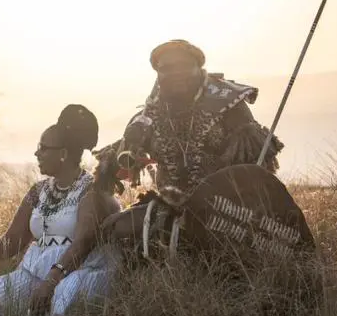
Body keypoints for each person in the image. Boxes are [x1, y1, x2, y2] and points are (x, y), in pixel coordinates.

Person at [95, 39, 285, 256]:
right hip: (171, 207)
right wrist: (127, 150)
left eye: (184, 66)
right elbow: (117, 163)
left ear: (199, 68)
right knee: (116, 227)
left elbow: (259, 161)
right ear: (158, 75)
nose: (176, 73)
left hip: (226, 208)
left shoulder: (227, 103)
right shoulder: (150, 115)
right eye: (166, 68)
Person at [0, 105, 120, 316]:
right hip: (40, 273)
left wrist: (50, 283)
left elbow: (83, 243)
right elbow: (12, 240)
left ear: (62, 153)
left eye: (43, 147)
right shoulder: (39, 191)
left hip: (82, 271)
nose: (36, 153)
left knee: (63, 296)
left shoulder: (91, 191)